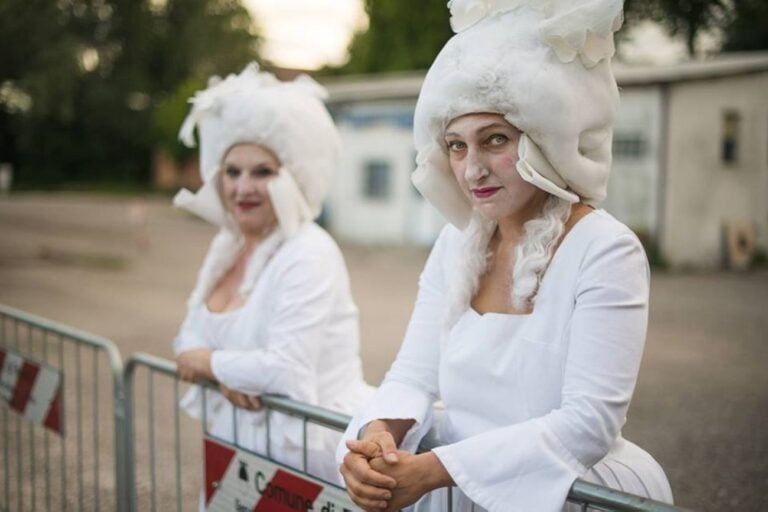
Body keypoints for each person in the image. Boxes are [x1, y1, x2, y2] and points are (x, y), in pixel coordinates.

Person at [337, 1, 674, 511]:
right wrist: (378, 433)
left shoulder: (606, 249)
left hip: (567, 492)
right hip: (457, 486)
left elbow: (588, 425)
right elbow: (412, 375)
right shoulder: (456, 242)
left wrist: (434, 470)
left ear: (541, 142)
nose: (473, 170)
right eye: (455, 146)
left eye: (495, 140)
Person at [171, 64, 371, 484]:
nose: (243, 188)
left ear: (291, 179)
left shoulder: (309, 251)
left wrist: (212, 363)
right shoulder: (226, 246)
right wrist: (224, 367)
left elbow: (285, 370)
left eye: (262, 172)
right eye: (232, 171)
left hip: (307, 457)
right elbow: (186, 337)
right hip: (238, 454)